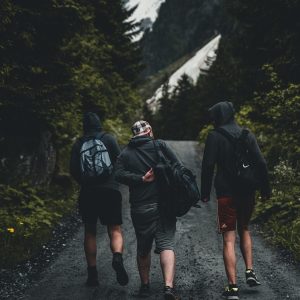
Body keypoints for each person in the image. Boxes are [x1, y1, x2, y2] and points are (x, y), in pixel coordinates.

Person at [201, 101, 271, 300]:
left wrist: (204, 192)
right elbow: (261, 162)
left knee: (228, 238)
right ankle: (249, 270)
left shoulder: (214, 136)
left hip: (226, 192)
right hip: (247, 191)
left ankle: (233, 288)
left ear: (216, 117)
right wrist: (265, 189)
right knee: (245, 228)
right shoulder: (246, 134)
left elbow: (207, 166)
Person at [115, 120, 180, 300]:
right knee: (166, 244)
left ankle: (145, 286)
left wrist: (140, 179)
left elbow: (117, 174)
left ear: (134, 134)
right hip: (164, 205)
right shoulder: (159, 145)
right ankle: (168, 287)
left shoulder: (126, 153)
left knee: (143, 249)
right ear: (149, 130)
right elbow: (178, 167)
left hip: (140, 207)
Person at [70, 112, 128, 287]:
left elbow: (74, 170)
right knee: (115, 229)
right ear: (99, 124)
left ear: (84, 126)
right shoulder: (108, 139)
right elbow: (120, 162)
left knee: (90, 232)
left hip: (88, 193)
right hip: (110, 191)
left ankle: (92, 275)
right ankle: (117, 257)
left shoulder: (78, 143)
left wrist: (85, 182)